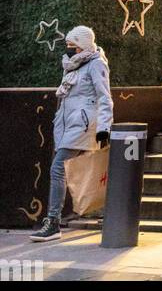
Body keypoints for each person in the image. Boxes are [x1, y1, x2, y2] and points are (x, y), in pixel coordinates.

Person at [31, 25, 113, 242]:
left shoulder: (96, 64)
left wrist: (104, 128)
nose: (68, 49)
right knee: (80, 169)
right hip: (67, 125)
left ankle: (53, 221)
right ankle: (106, 209)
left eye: (73, 46)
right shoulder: (72, 65)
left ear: (84, 46)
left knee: (58, 167)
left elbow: (105, 97)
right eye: (67, 45)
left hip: (83, 126)